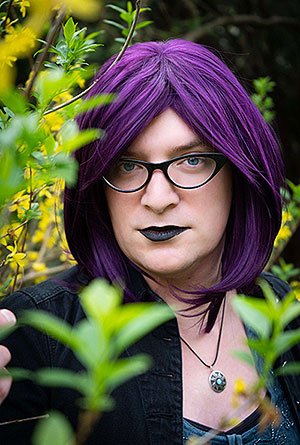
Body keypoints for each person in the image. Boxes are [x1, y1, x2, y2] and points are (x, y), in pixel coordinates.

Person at [0, 39, 299, 444]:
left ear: (239, 173)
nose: (157, 200)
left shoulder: (281, 311)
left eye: (192, 160)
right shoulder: (34, 336)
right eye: (126, 165)